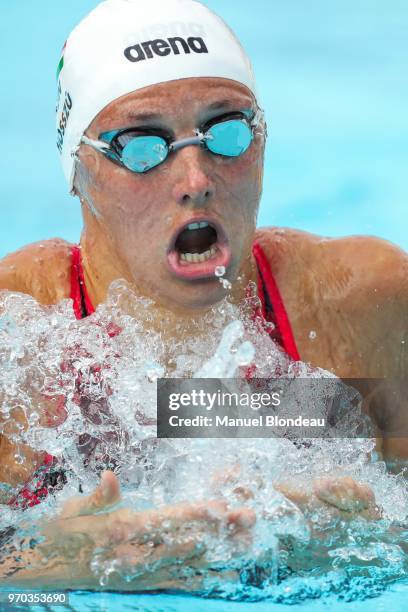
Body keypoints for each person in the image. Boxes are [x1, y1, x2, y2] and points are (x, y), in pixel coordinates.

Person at [0, 0, 406, 591]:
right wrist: (47, 569)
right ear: (78, 169)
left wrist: (345, 544)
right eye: (142, 145)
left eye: (227, 132)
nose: (196, 180)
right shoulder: (19, 335)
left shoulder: (364, 303)